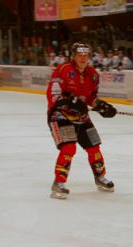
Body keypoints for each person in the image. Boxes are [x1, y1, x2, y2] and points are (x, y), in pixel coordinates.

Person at [46, 42, 117, 200]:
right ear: (73, 56)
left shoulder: (93, 74)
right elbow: (54, 95)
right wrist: (72, 102)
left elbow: (91, 97)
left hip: (81, 118)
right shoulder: (63, 70)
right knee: (69, 148)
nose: (83, 58)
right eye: (80, 55)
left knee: (94, 148)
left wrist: (102, 106)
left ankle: (100, 178)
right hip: (60, 116)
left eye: (86, 55)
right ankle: (59, 183)